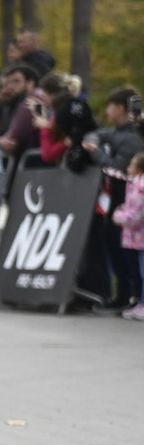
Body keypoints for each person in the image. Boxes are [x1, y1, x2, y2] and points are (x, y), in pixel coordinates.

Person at [86, 88, 144, 309]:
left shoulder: (131, 139)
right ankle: (124, 295)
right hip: (120, 206)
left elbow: (116, 168)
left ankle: (131, 296)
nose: (107, 110)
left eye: (110, 106)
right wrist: (92, 140)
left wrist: (96, 152)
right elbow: (99, 134)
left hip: (129, 207)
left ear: (120, 108)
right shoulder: (118, 133)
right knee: (118, 250)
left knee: (128, 255)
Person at [33, 72, 97, 169]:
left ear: (52, 95)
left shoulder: (60, 117)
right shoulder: (78, 109)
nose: (41, 97)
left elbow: (48, 154)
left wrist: (46, 128)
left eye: (43, 93)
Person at [112, 151, 144, 320]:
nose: (128, 167)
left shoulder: (140, 188)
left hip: (139, 236)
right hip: (135, 237)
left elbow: (137, 215)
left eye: (131, 165)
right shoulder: (133, 184)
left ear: (139, 169)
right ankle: (139, 303)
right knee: (138, 272)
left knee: (142, 272)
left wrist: (119, 216)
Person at [0, 63, 42, 160]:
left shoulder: (35, 102)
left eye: (16, 81)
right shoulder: (10, 105)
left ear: (30, 83)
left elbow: (15, 134)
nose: (10, 87)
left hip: (34, 163)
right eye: (9, 82)